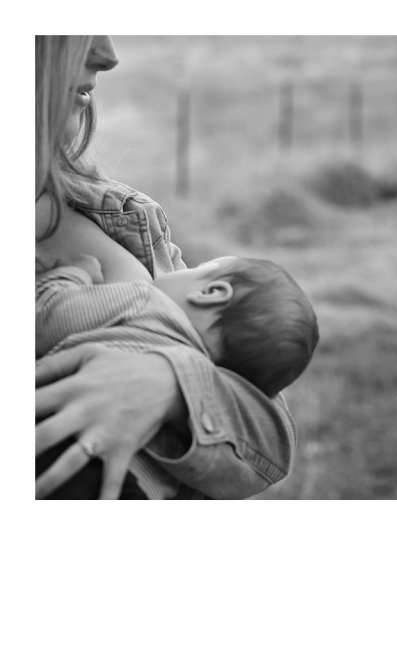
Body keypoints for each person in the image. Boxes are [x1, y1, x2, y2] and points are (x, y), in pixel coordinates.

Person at [35, 35, 298, 499]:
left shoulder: (120, 214)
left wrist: (170, 382)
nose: (108, 54)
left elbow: (272, 437)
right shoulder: (154, 300)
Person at [36, 253, 319, 498]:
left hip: (60, 440)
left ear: (211, 293)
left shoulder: (145, 300)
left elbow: (45, 318)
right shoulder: (206, 401)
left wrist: (74, 273)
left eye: (198, 267)